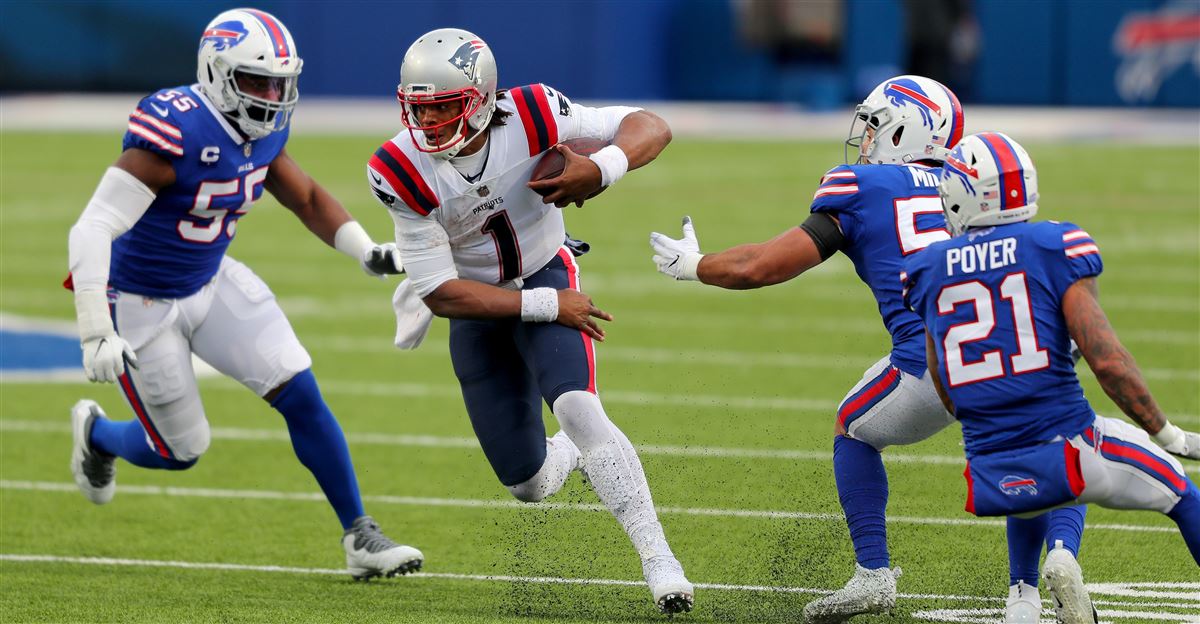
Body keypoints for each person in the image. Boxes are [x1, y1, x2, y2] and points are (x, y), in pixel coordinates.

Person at [648, 76, 1087, 623]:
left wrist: (694, 265)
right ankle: (1034, 585)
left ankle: (873, 575)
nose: (866, 135)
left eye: (876, 123)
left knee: (852, 427)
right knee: (1046, 446)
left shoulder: (860, 187)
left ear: (906, 127)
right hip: (1020, 343)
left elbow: (760, 267)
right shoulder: (967, 179)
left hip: (933, 363)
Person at [66, 8, 421, 580]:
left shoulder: (264, 127)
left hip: (211, 279)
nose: (270, 96)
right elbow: (91, 229)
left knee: (301, 392)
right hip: (140, 301)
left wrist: (364, 248)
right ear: (215, 73)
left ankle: (360, 536)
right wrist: (95, 331)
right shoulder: (175, 130)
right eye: (256, 81)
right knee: (180, 450)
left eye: (279, 83)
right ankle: (98, 435)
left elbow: (303, 196)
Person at [365, 28, 692, 614]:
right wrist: (545, 307)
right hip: (474, 299)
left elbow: (649, 125)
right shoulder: (398, 168)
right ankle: (574, 452)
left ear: (484, 98)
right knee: (528, 484)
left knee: (579, 406)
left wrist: (602, 170)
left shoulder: (535, 112)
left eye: (444, 107)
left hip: (545, 267)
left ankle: (659, 560)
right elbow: (443, 295)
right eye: (419, 109)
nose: (429, 123)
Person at [902, 132, 1200, 621]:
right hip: (1070, 449)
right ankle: (1061, 553)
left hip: (989, 465)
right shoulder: (1055, 244)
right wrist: (1167, 432)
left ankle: (1022, 599)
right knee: (1180, 492)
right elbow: (1108, 362)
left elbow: (946, 386)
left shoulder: (927, 269)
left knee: (1034, 469)